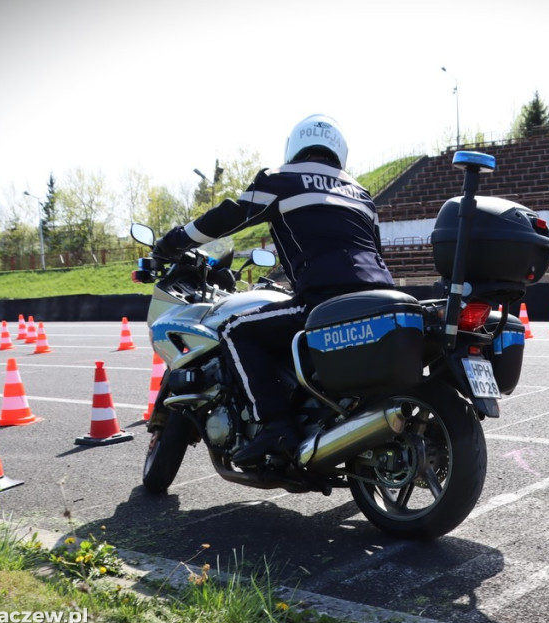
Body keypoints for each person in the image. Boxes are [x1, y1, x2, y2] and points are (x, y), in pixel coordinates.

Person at [154, 114, 394, 465]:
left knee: (236, 330)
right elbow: (374, 250)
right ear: (339, 151)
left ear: (295, 145)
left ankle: (275, 425)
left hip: (324, 300)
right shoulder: (360, 193)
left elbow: (229, 216)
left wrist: (173, 241)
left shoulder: (281, 179)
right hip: (380, 297)